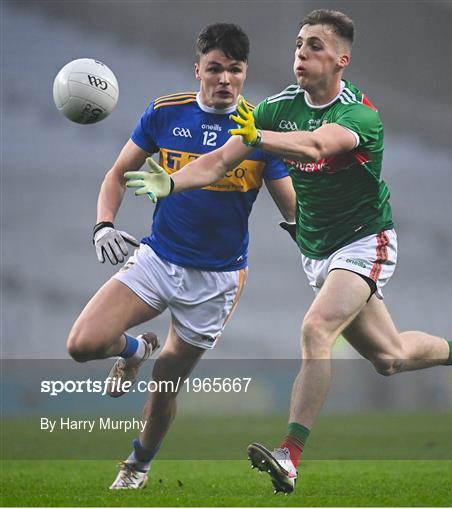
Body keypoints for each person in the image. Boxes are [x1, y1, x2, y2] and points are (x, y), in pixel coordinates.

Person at [124, 9, 452, 495]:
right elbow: (221, 159)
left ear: (341, 60)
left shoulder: (359, 115)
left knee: (315, 327)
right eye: (299, 44)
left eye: (316, 46)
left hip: (365, 240)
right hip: (319, 251)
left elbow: (318, 146)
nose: (302, 53)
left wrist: (259, 138)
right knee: (388, 357)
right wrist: (171, 181)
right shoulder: (276, 108)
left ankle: (290, 454)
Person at [66, 22, 295, 490]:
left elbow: (292, 209)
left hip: (217, 281)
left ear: (245, 73)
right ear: (198, 69)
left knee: (165, 384)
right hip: (158, 260)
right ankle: (136, 349)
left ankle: (137, 465)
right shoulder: (165, 113)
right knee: (82, 345)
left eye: (235, 70)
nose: (225, 79)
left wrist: (314, 239)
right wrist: (103, 225)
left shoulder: (257, 132)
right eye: (215, 69)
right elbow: (117, 173)